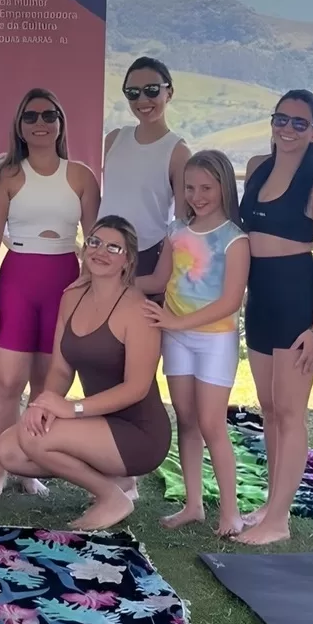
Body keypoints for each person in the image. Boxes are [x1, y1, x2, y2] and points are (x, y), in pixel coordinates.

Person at [0, 216, 170, 530]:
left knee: (33, 441)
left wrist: (71, 409)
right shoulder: (71, 297)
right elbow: (61, 369)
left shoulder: (137, 310)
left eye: (114, 247)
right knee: (9, 449)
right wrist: (44, 403)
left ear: (128, 260)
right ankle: (117, 479)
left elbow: (136, 389)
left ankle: (112, 496)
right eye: (95, 242)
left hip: (140, 432)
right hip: (100, 423)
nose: (101, 251)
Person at [0, 88, 100, 496]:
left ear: (61, 123)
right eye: (31, 116)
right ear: (20, 125)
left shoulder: (81, 176)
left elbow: (96, 245)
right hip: (15, 284)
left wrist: (91, 297)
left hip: (64, 286)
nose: (41, 123)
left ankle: (28, 467)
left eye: (49, 115)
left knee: (47, 389)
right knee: (7, 383)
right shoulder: (6, 176)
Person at [234, 91, 313, 545]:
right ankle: (271, 504)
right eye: (282, 119)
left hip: (298, 298)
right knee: (271, 409)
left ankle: (279, 521)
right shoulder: (258, 166)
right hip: (260, 298)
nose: (288, 129)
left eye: (300, 123)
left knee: (291, 411)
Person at [137, 151, 250, 537]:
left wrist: (176, 321)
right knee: (186, 420)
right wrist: (110, 282)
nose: (197, 196)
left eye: (206, 187)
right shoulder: (175, 232)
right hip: (176, 337)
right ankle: (193, 505)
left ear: (223, 187)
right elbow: (155, 281)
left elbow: (231, 301)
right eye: (189, 188)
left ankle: (231, 512)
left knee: (211, 423)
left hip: (215, 340)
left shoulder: (235, 240)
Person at [101, 57, 191, 279]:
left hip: (146, 256)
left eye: (151, 90)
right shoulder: (113, 139)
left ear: (168, 93)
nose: (142, 99)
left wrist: (161, 275)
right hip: (101, 252)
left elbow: (181, 221)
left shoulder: (178, 152)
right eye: (133, 92)